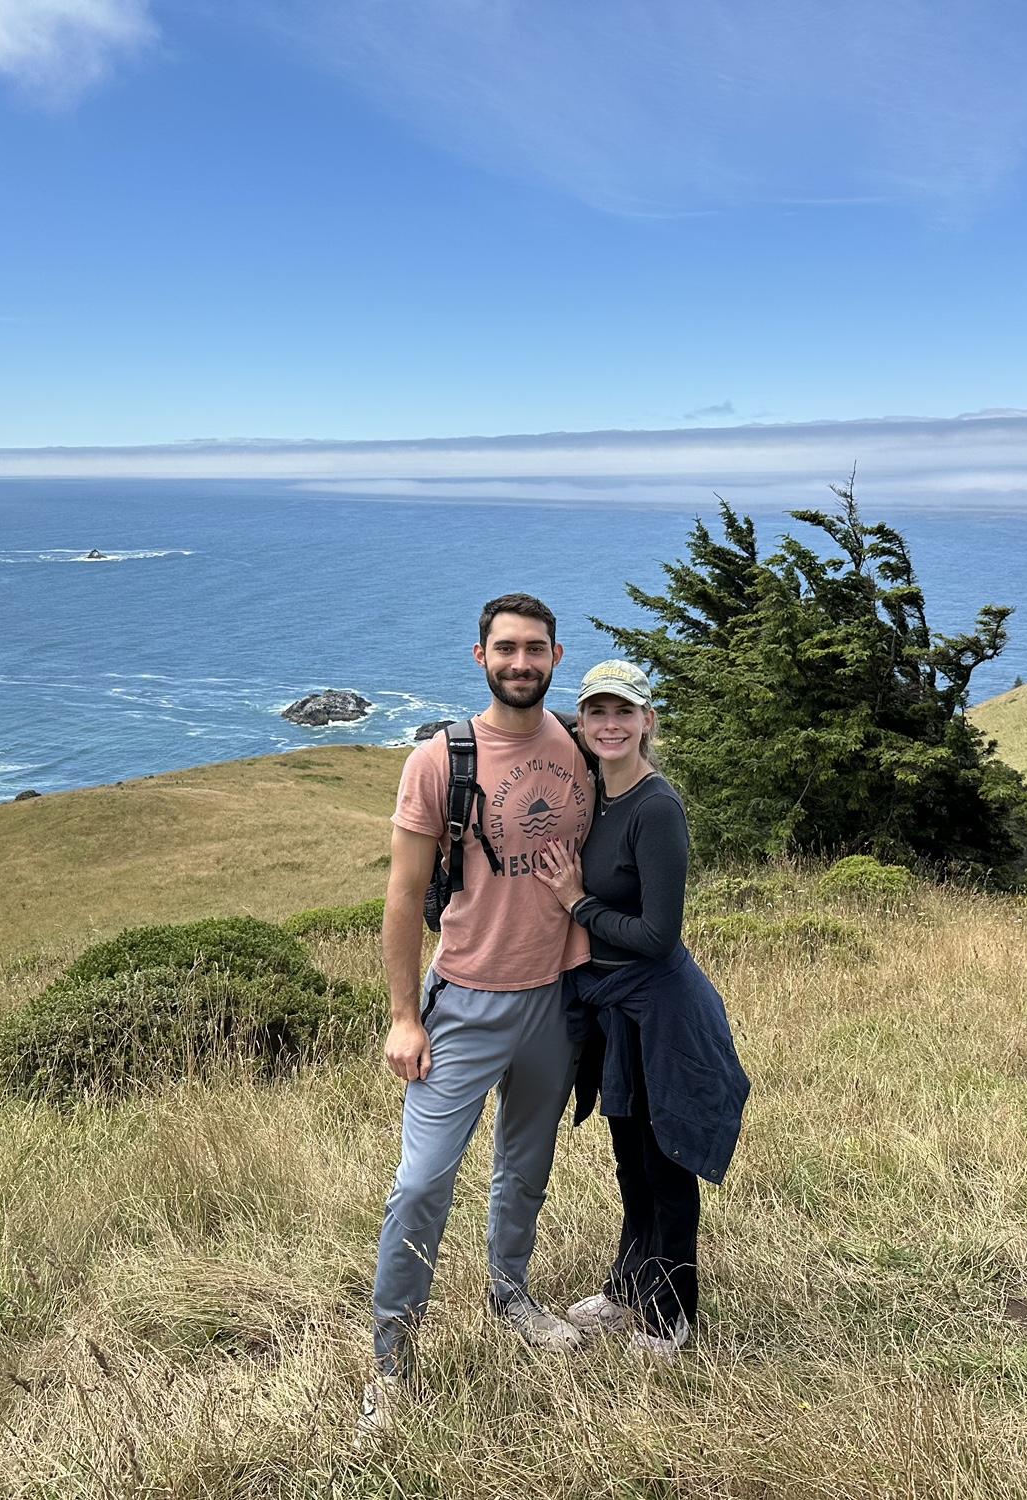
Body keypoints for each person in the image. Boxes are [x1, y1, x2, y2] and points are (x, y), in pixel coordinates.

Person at [363, 592, 596, 1432]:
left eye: (535, 648)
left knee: (525, 1168)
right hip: (463, 1001)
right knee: (422, 1182)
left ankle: (511, 1295)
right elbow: (401, 897)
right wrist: (404, 1016)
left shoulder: (579, 745)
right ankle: (392, 1364)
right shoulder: (439, 760)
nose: (520, 662)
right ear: (480, 657)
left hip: (557, 997)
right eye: (506, 648)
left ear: (556, 657)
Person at [534, 659, 750, 1359]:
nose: (609, 725)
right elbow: (534, 725)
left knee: (666, 1163)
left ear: (647, 721)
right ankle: (629, 1287)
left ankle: (671, 1317)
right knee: (630, 1158)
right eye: (596, 712)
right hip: (615, 1010)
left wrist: (578, 904)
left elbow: (659, 935)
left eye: (624, 712)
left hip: (662, 1008)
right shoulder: (596, 791)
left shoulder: (656, 808)